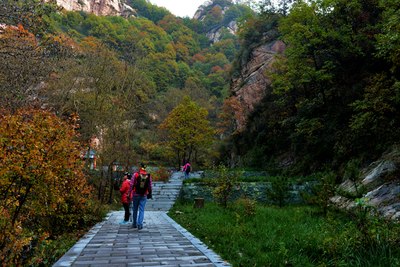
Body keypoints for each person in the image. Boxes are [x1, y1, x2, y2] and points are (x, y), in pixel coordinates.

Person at [128, 163, 152, 230]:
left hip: (135, 194)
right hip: (144, 195)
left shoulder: (135, 174)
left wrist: (129, 193)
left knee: (135, 209)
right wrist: (150, 193)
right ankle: (140, 224)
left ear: (140, 168)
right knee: (141, 209)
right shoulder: (148, 176)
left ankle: (134, 223)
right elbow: (150, 186)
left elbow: (131, 184)